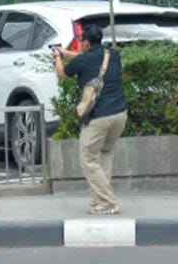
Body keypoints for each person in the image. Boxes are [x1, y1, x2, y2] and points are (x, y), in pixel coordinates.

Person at [53, 24, 127, 215]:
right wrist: (66, 52)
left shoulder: (84, 60)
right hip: (120, 113)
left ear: (85, 43)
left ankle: (109, 201)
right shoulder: (113, 54)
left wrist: (57, 57)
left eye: (81, 42)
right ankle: (101, 200)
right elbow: (85, 58)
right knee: (106, 153)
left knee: (87, 158)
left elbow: (62, 74)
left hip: (99, 117)